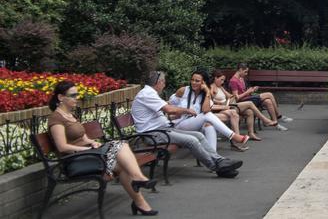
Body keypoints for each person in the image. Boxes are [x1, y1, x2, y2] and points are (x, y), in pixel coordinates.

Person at [49, 80, 159, 216]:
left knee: (124, 164)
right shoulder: (56, 119)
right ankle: (139, 180)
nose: (76, 98)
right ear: (61, 97)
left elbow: (82, 138)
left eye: (77, 94)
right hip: (76, 160)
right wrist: (87, 149)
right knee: (121, 145)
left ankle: (140, 202)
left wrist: (92, 142)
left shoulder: (71, 115)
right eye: (73, 95)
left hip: (89, 155)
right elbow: (62, 147)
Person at [131, 71, 243, 179]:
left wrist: (175, 114)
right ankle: (216, 167)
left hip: (163, 129)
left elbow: (165, 111)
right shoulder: (147, 94)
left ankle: (219, 160)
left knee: (198, 136)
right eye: (164, 82)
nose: (164, 85)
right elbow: (168, 108)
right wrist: (186, 110)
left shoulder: (149, 93)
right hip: (153, 134)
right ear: (158, 83)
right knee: (191, 140)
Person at [169, 71, 251, 152]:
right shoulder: (183, 90)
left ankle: (213, 156)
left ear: (203, 82)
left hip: (195, 124)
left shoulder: (205, 95)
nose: (193, 82)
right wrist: (175, 113)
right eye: (192, 80)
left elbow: (205, 110)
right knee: (207, 115)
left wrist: (207, 91)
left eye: (197, 81)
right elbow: (169, 105)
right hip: (179, 125)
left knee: (209, 125)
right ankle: (233, 136)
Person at [210, 70, 273, 140]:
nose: (222, 82)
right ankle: (265, 120)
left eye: (223, 80)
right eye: (221, 80)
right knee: (250, 103)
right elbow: (210, 102)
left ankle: (251, 133)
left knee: (250, 112)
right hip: (224, 108)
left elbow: (230, 96)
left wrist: (233, 96)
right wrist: (220, 102)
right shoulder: (211, 88)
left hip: (230, 104)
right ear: (215, 78)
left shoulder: (220, 87)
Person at [229, 63, 292, 131]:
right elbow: (237, 98)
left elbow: (244, 91)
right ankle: (279, 116)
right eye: (245, 72)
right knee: (269, 94)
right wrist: (248, 92)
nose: (246, 74)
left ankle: (275, 123)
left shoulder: (241, 78)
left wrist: (252, 90)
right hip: (243, 101)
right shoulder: (233, 81)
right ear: (240, 69)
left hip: (249, 97)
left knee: (268, 101)